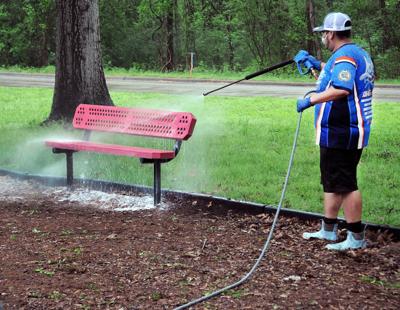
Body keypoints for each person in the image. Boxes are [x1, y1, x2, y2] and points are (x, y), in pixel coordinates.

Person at [294, 12, 375, 251]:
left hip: (343, 131)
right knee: (332, 181)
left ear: (330, 33)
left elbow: (341, 88)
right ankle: (328, 230)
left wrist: (311, 101)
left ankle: (356, 237)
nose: (323, 38)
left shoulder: (346, 55)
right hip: (335, 132)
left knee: (346, 184)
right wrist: (315, 64)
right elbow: (334, 76)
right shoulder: (350, 54)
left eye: (323, 34)